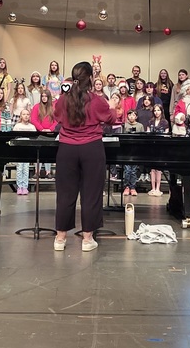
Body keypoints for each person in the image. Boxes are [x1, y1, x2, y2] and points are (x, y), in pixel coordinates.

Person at [52, 62, 119, 252]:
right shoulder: (96, 100)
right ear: (90, 78)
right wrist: (112, 107)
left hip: (67, 149)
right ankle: (87, 240)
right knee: (91, 193)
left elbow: (57, 116)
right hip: (91, 149)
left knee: (65, 193)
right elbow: (111, 119)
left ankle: (60, 239)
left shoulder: (64, 100)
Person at [12, 108, 37, 195]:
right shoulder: (17, 126)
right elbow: (14, 138)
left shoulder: (32, 127)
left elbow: (34, 139)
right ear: (21, 116)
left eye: (27, 114)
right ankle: (19, 187)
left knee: (26, 168)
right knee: (19, 168)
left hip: (27, 149)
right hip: (19, 149)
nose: (26, 116)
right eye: (24, 114)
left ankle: (25, 187)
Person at [146, 104, 170, 196]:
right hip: (152, 146)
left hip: (161, 147)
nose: (156, 112)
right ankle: (152, 188)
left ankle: (158, 188)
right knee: (152, 169)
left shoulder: (165, 122)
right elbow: (148, 133)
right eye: (155, 110)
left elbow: (166, 135)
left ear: (161, 111)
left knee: (159, 169)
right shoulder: (150, 122)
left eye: (158, 110)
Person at [121, 110, 144, 196]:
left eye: (133, 115)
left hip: (135, 151)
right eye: (130, 115)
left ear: (136, 117)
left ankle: (133, 187)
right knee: (127, 170)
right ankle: (126, 187)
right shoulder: (125, 125)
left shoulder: (140, 126)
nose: (131, 117)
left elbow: (142, 138)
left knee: (134, 170)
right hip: (127, 151)